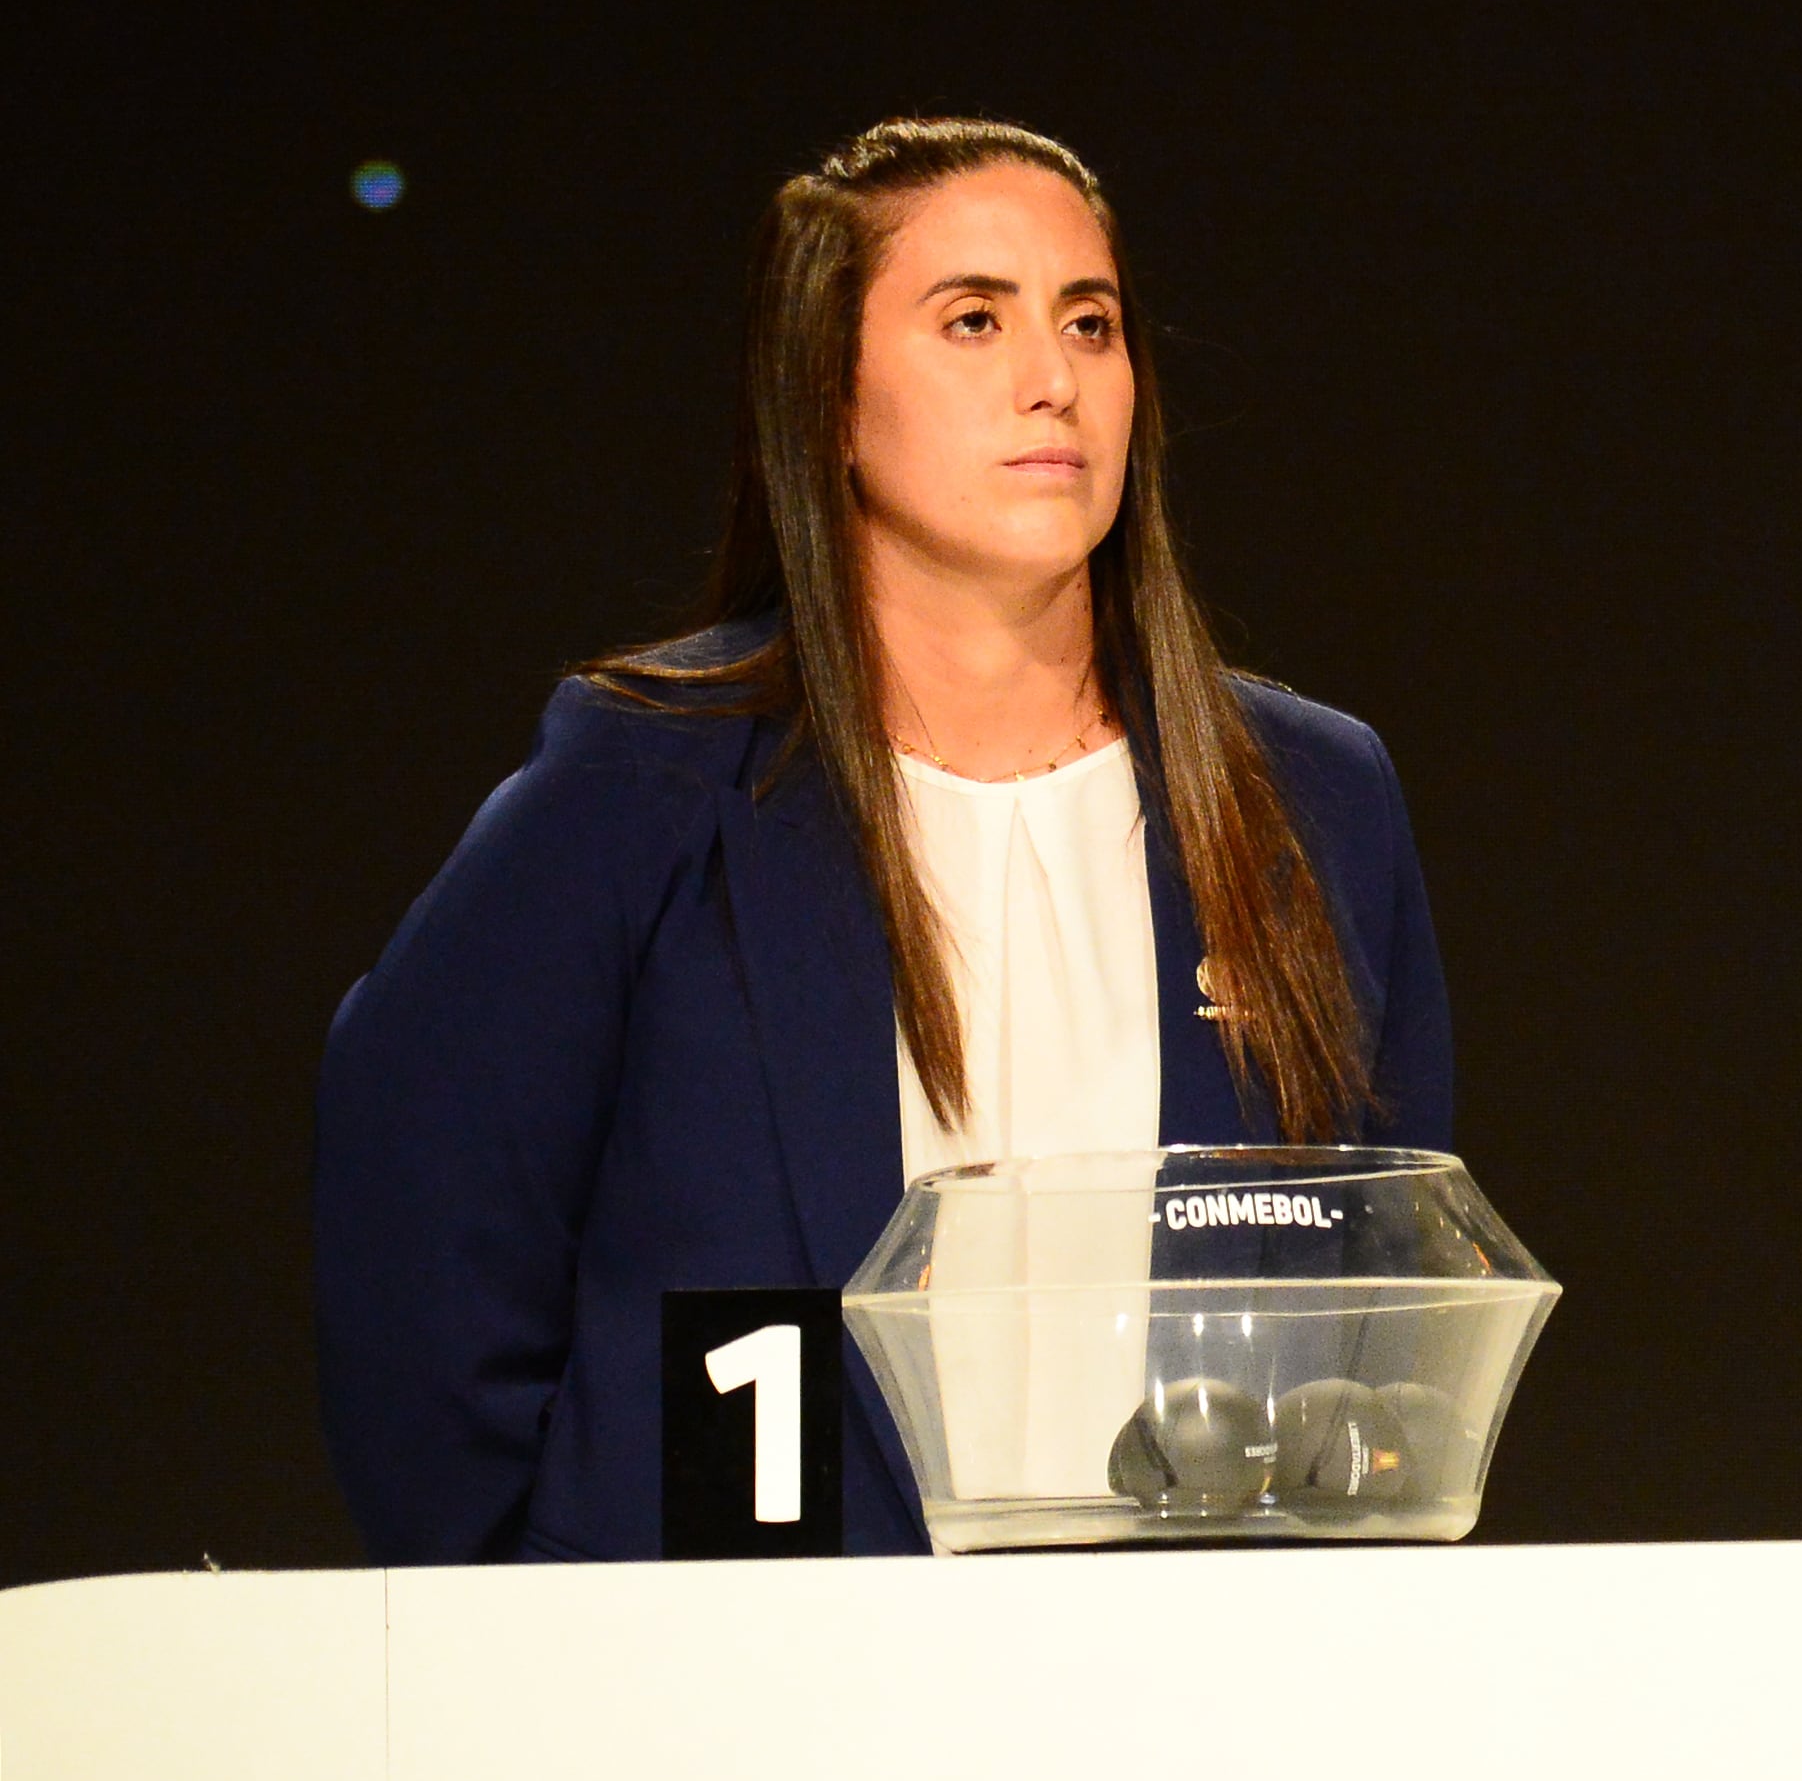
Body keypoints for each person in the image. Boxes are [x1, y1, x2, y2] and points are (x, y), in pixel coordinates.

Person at [316, 118, 1455, 1558]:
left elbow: (1392, 1301)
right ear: (826, 393)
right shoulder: (651, 775)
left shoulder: (1311, 799)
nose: (1056, 381)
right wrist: (529, 1624)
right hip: (727, 1713)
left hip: (1190, 1701)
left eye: (1090, 324)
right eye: (974, 318)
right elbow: (421, 1211)